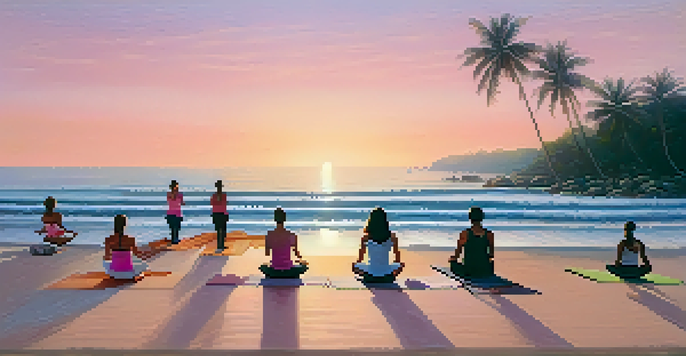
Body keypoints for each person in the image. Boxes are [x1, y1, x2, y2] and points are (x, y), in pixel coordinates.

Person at [352, 207, 405, 283]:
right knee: (401, 265)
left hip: (371, 274)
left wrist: (359, 266)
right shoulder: (392, 237)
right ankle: (388, 276)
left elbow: (360, 259)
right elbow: (397, 259)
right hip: (387, 274)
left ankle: (369, 276)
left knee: (355, 266)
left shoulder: (366, 238)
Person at [259, 208, 309, 279]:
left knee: (263, 266)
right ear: (284, 219)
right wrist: (301, 261)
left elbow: (267, 253)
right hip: (288, 268)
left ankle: (275, 274)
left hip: (275, 268)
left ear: (275, 219)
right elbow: (296, 253)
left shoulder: (270, 235)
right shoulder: (291, 235)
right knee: (303, 265)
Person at [448, 206, 495, 279]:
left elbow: (458, 253)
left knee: (453, 264)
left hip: (470, 271)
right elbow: (491, 254)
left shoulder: (465, 234)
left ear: (470, 219)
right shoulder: (489, 234)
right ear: (482, 218)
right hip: (485, 270)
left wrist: (452, 260)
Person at [103, 214, 149, 280]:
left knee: (105, 262)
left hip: (114, 272)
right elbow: (137, 254)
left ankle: (116, 272)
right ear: (125, 225)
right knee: (144, 266)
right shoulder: (130, 239)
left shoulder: (109, 240)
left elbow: (107, 256)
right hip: (128, 272)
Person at [211, 180, 229, 252]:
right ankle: (220, 245)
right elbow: (224, 203)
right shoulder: (222, 195)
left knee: (220, 230)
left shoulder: (215, 196)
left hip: (217, 213)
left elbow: (212, 203)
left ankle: (220, 245)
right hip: (221, 213)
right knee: (221, 230)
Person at [166, 180, 185, 244]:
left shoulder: (178, 195)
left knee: (175, 227)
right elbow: (181, 202)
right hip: (174, 213)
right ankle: (174, 239)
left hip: (174, 212)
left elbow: (181, 202)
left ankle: (174, 238)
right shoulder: (175, 194)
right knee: (174, 227)